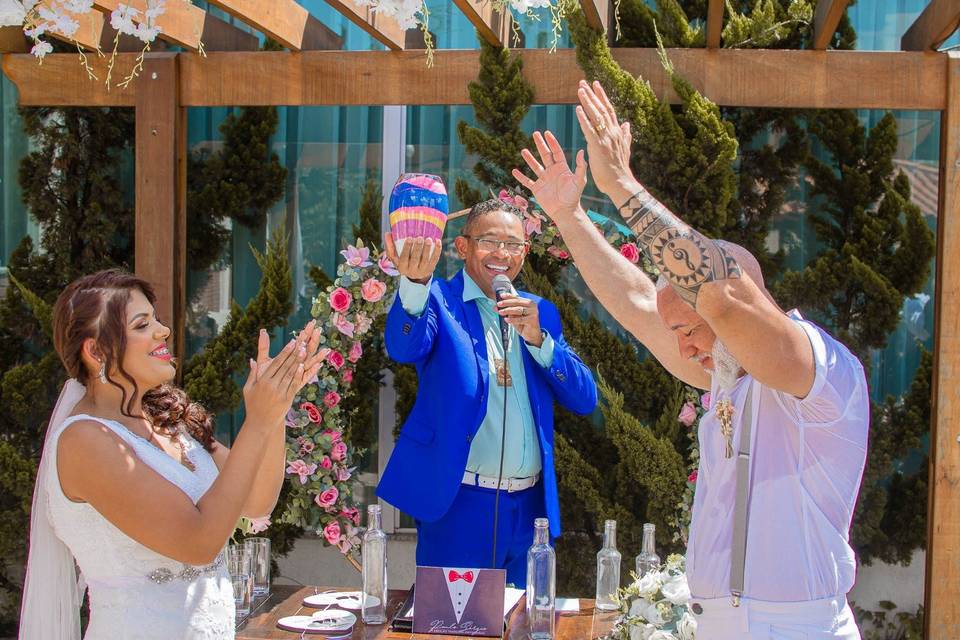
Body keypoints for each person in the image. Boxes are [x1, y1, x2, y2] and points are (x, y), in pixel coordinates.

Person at [510, 80, 867, 638]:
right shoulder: (727, 373)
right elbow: (635, 301)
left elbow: (719, 294)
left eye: (690, 331)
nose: (684, 350)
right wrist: (569, 217)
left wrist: (621, 184)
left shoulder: (815, 365)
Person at [20, 269, 326, 640]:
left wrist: (276, 409)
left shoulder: (168, 422)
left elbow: (257, 502)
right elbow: (198, 543)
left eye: (157, 319)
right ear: (96, 351)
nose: (163, 331)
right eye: (141, 324)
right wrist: (257, 422)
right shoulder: (85, 440)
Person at [376, 198, 597, 587]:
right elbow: (403, 346)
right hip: (460, 505)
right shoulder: (440, 300)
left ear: (525, 254)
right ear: (462, 247)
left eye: (513, 245)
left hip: (528, 512)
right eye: (489, 241)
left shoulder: (538, 311)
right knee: (452, 627)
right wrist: (413, 285)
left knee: (521, 626)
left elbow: (584, 398)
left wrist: (540, 341)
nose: (502, 254)